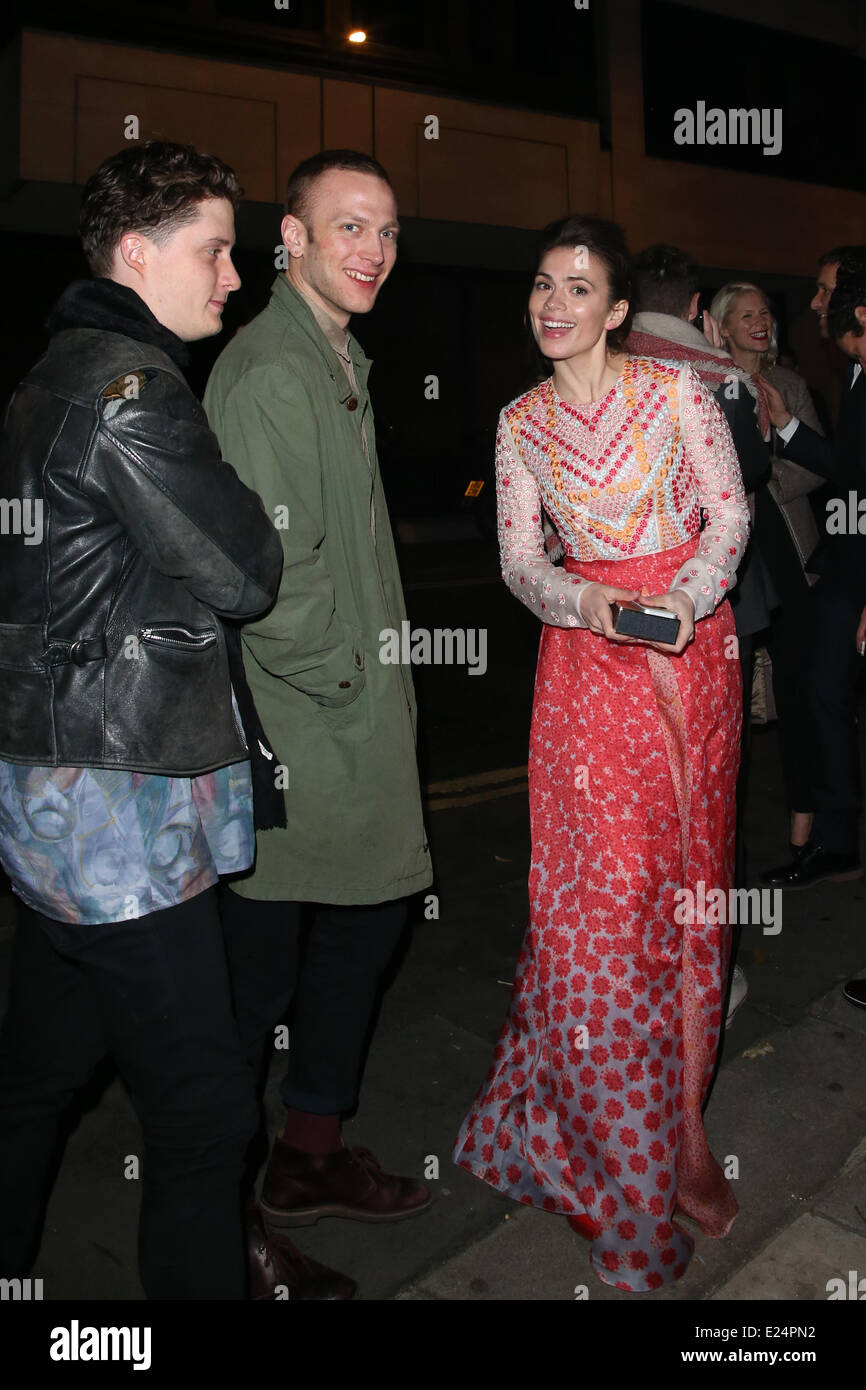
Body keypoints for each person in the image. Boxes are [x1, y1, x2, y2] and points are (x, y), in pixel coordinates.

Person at [0, 141, 284, 1299]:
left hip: (50, 796)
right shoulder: (129, 391)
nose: (232, 274)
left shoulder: (45, 376)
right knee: (207, 1115)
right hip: (121, 820)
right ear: (137, 251)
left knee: (39, 1071)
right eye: (213, 250)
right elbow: (243, 566)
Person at [452, 216, 749, 1291]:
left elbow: (727, 516)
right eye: (541, 284)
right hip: (582, 673)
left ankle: (679, 1130)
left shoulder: (677, 396)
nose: (553, 304)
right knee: (596, 913)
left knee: (682, 897)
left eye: (578, 288)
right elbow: (519, 558)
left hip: (686, 664)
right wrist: (585, 601)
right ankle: (616, 1153)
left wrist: (675, 598)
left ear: (617, 310)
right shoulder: (517, 422)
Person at [203, 150, 433, 1296]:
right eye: (347, 226)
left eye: (386, 229)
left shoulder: (337, 354)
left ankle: (307, 1155)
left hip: (351, 722)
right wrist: (352, 680)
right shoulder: (269, 371)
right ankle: (227, 1217)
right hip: (301, 730)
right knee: (256, 986)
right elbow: (269, 573)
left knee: (360, 931)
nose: (373, 250)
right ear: (286, 236)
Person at [628, 245, 774, 1029]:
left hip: (616, 608)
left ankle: (640, 960)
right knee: (715, 786)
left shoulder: (604, 364)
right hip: (711, 605)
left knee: (643, 796)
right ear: (694, 308)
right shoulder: (718, 379)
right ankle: (711, 968)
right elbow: (745, 478)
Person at [708, 281, 825, 868]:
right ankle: (728, 849)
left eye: (764, 313)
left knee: (801, 698)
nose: (759, 321)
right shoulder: (705, 385)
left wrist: (764, 469)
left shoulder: (791, 385)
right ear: (721, 327)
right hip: (736, 563)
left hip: (792, 555)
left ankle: (805, 834)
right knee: (731, 716)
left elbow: (820, 469)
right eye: (744, 314)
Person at [760, 249, 866, 891]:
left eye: (825, 293)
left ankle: (834, 839)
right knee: (821, 694)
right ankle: (835, 840)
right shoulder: (854, 371)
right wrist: (788, 426)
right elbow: (853, 468)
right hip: (848, 566)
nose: (814, 306)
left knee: (825, 693)